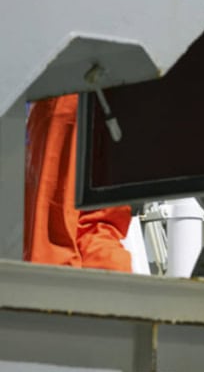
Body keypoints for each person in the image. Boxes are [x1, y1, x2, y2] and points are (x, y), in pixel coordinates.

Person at [25, 93, 133, 271]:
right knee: (102, 223)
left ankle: (49, 286)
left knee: (52, 224)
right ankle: (112, 285)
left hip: (69, 89)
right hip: (121, 94)